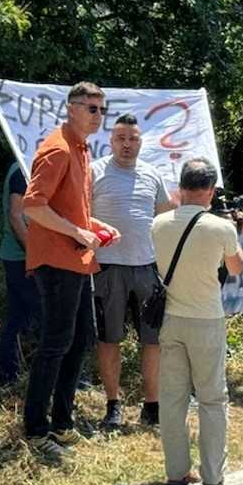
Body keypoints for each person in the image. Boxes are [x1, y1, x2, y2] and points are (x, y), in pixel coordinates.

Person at [21, 82, 118, 460]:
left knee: (81, 340)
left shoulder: (80, 148)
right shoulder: (58, 148)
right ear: (71, 109)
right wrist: (78, 232)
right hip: (57, 262)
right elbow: (33, 206)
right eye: (92, 108)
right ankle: (35, 429)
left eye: (102, 110)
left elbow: (68, 211)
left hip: (76, 260)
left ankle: (61, 423)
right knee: (56, 343)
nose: (98, 116)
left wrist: (94, 226)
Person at [151, 158, 243, 485]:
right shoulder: (221, 227)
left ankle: (176, 471)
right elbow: (235, 268)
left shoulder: (158, 223)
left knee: (172, 398)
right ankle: (213, 474)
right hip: (206, 319)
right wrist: (234, 231)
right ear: (211, 190)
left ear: (181, 187)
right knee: (212, 398)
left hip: (171, 318)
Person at [91, 113, 176, 429]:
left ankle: (152, 405)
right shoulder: (94, 172)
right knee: (108, 339)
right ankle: (113, 405)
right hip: (107, 268)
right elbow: (80, 215)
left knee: (152, 340)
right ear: (111, 141)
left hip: (146, 268)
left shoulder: (152, 174)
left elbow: (166, 217)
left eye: (133, 139)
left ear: (141, 142)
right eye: (121, 138)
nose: (127, 144)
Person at [0, 160, 41, 386]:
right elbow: (16, 217)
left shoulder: (25, 165)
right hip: (22, 259)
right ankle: (55, 381)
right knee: (48, 320)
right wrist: (34, 257)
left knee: (16, 319)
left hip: (18, 257)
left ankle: (7, 378)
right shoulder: (22, 169)